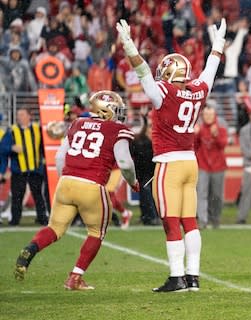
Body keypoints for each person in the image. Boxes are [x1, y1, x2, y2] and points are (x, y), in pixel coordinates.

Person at [116, 17, 226, 292]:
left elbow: (141, 72)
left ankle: (177, 277)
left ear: (167, 73)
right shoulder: (198, 91)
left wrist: (129, 45)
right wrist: (218, 47)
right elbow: (210, 72)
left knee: (170, 221)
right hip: (190, 162)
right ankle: (193, 277)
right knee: (190, 221)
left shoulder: (163, 92)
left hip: (168, 163)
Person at [14, 91, 140, 289]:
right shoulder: (116, 129)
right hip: (91, 185)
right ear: (106, 110)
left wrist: (66, 177)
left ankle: (30, 249)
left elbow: (59, 158)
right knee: (96, 232)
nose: (119, 113)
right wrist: (133, 182)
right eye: (116, 109)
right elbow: (124, 162)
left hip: (66, 182)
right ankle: (75, 277)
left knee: (54, 228)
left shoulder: (78, 123)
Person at [0, 107, 48, 226]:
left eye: (21, 114)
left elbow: (45, 146)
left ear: (29, 116)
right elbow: (2, 148)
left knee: (38, 194)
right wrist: (11, 148)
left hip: (36, 169)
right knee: (17, 196)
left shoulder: (38, 129)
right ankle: (15, 219)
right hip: (18, 170)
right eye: (18, 115)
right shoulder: (12, 131)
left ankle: (42, 218)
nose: (19, 117)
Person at [194, 105, 228, 229]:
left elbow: (223, 145)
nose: (208, 117)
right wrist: (195, 135)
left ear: (215, 116)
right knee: (201, 194)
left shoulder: (221, 129)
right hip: (202, 165)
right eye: (206, 115)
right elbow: (193, 146)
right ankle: (202, 221)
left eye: (210, 115)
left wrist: (216, 135)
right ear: (203, 116)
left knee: (217, 195)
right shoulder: (199, 129)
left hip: (218, 166)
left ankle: (215, 219)